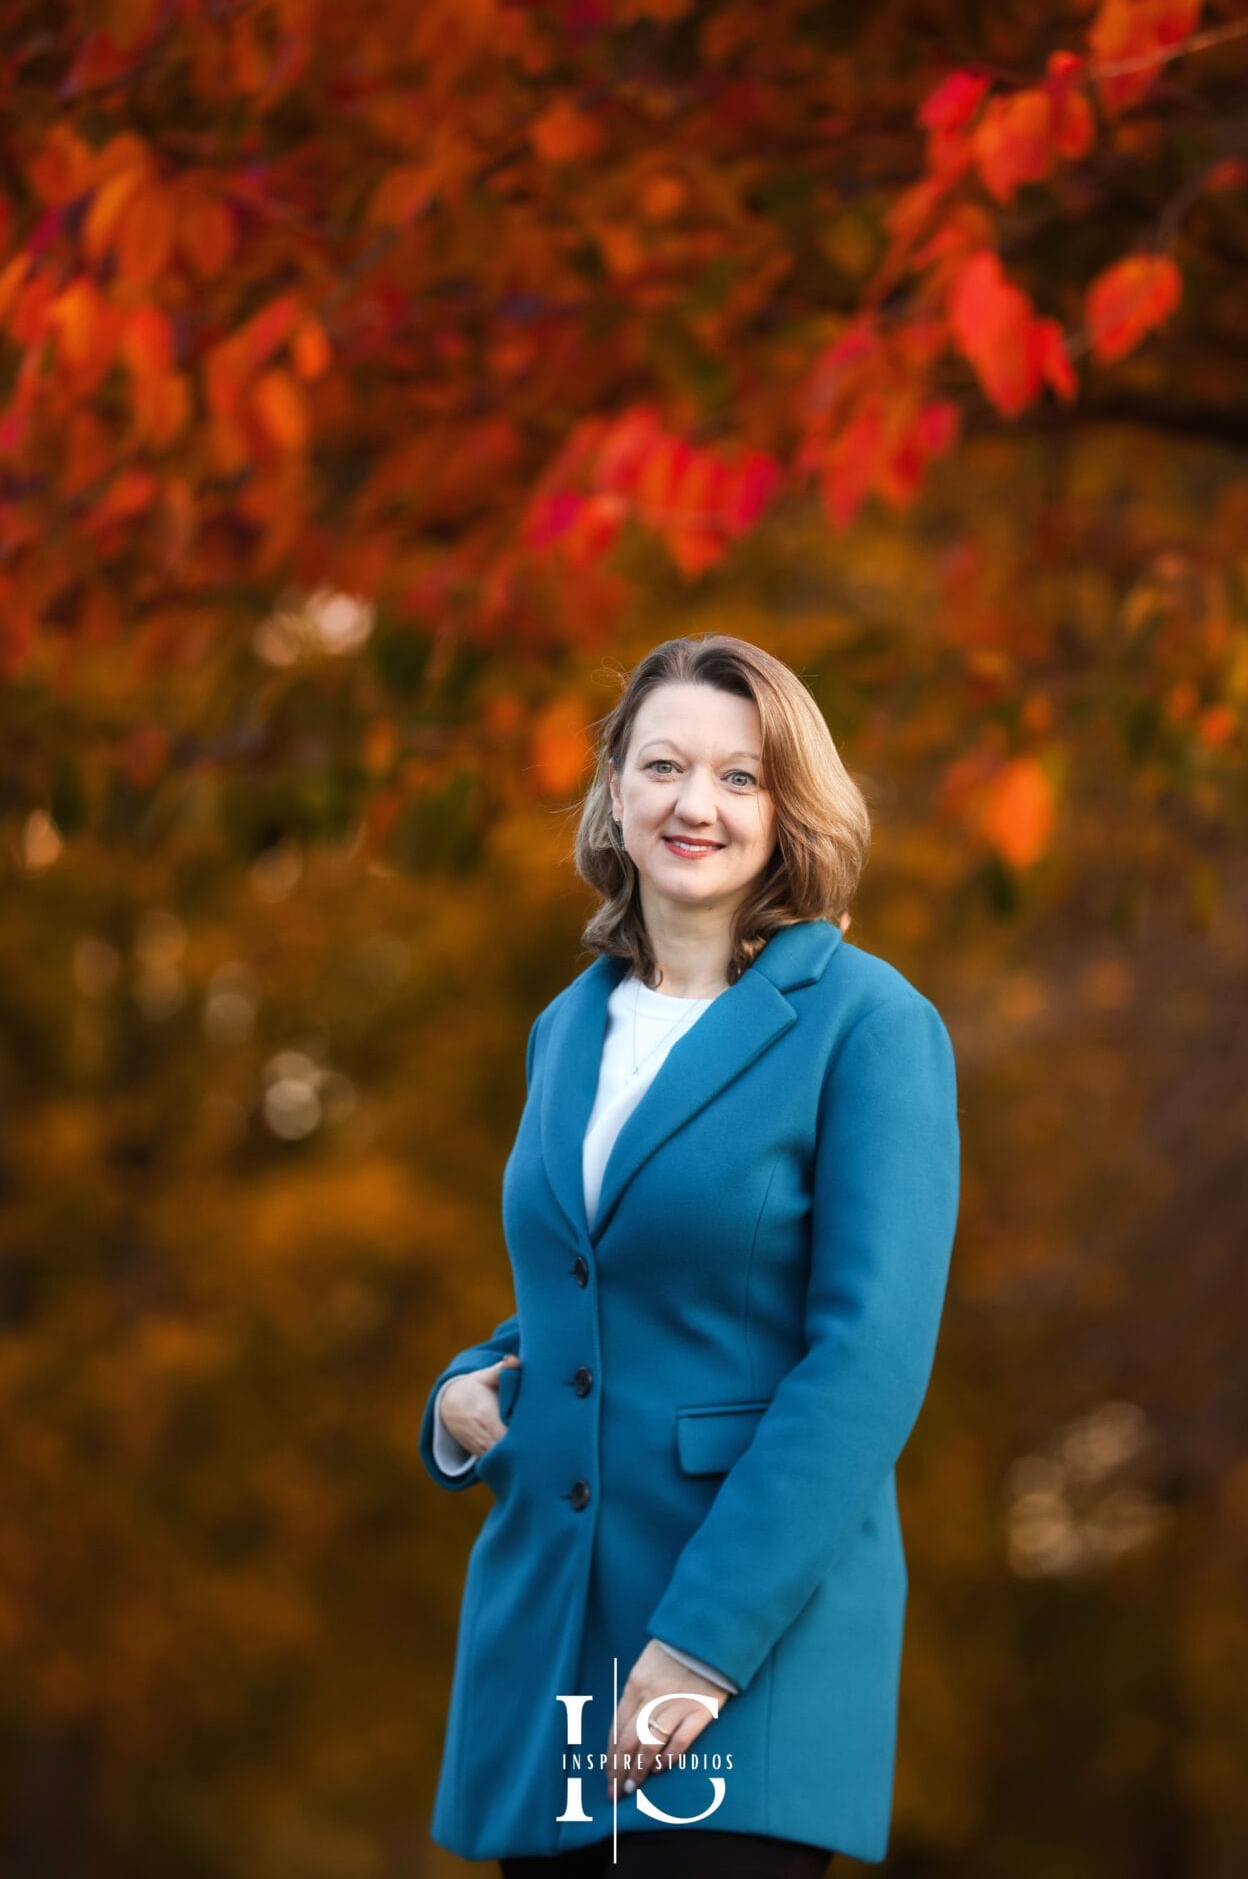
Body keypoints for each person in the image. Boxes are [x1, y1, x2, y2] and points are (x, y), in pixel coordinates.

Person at [419, 633, 962, 1874]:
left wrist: (701, 1648)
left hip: (739, 1640)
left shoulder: (868, 1027)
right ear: (615, 788)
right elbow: (587, 1292)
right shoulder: (567, 1027)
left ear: (785, 809)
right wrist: (463, 1394)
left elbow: (866, 1362)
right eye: (663, 765)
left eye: (738, 776)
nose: (694, 804)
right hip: (547, 1624)